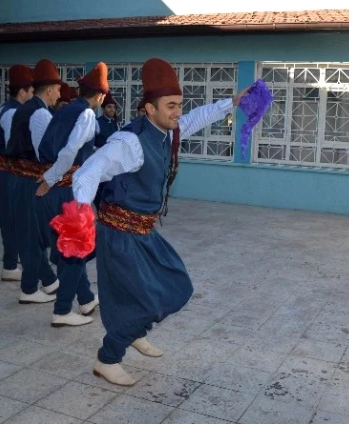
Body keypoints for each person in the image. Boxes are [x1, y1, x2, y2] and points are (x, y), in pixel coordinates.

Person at [69, 57, 249, 386]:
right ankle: (107, 359)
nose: (178, 112)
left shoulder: (168, 130)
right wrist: (81, 215)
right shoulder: (129, 143)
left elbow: (197, 117)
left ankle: (134, 331)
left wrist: (232, 102)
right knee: (143, 299)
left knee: (178, 286)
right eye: (170, 106)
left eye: (179, 104)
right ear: (149, 109)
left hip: (145, 232)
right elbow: (87, 172)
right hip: (120, 234)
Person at [35, 62, 109, 326]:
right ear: (100, 96)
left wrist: (48, 177)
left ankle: (86, 298)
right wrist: (52, 178)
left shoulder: (63, 112)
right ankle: (63, 310)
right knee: (77, 250)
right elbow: (69, 152)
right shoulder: (87, 115)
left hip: (55, 190)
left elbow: (45, 146)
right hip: (68, 192)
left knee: (69, 247)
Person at [4, 58, 62, 304]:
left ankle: (46, 283)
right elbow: (45, 153)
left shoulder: (25, 109)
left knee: (33, 234)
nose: (59, 94)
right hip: (29, 182)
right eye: (58, 89)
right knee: (34, 236)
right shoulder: (39, 113)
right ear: (48, 89)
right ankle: (29, 290)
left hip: (20, 179)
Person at [0, 64, 33, 282]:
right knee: (9, 218)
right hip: (3, 173)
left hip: (7, 171)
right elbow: (14, 147)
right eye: (31, 91)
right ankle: (10, 266)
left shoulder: (12, 109)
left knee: (17, 217)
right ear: (22, 91)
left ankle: (16, 258)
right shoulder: (12, 113)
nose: (33, 95)